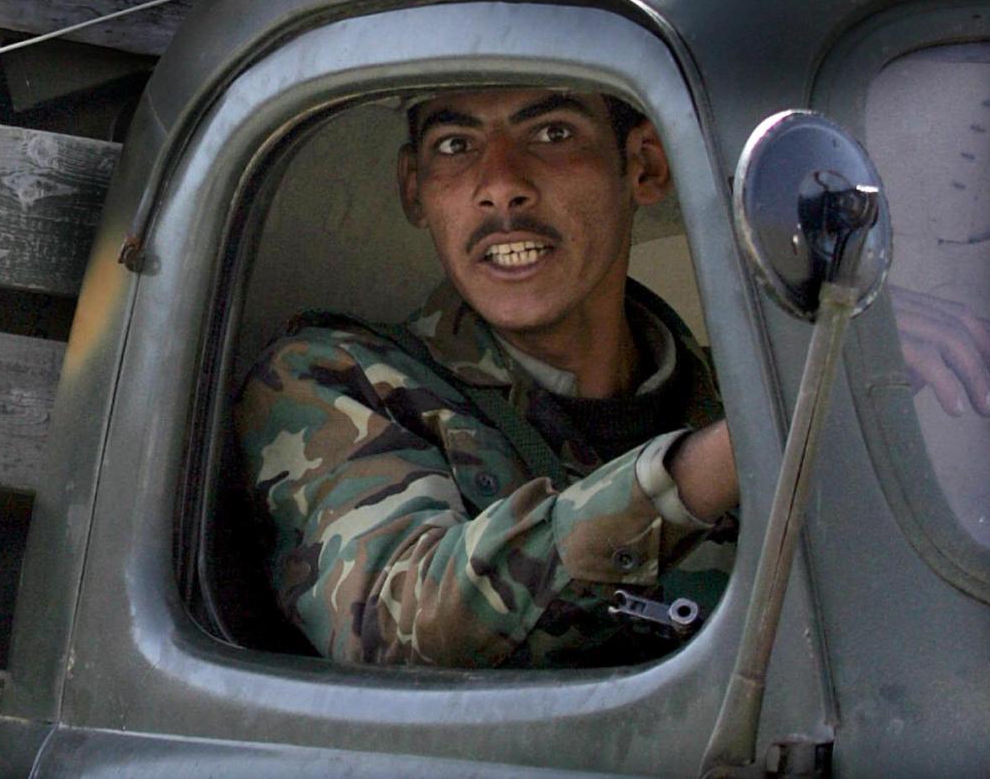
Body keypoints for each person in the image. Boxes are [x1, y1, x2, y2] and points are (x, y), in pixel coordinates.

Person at [237, 85, 738, 669]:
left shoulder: (742, 391)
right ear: (413, 187)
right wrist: (694, 476)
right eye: (455, 145)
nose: (500, 184)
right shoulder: (332, 380)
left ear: (644, 165)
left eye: (552, 133)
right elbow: (392, 632)